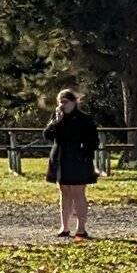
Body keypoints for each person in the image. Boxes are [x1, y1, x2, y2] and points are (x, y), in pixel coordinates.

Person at [42, 86, 99, 238]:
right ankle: (64, 227)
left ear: (74, 102)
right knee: (64, 192)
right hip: (60, 158)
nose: (62, 105)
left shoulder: (85, 119)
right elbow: (47, 135)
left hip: (78, 159)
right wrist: (56, 122)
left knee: (78, 193)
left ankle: (81, 228)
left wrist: (84, 154)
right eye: (59, 102)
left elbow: (93, 141)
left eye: (65, 102)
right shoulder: (57, 118)